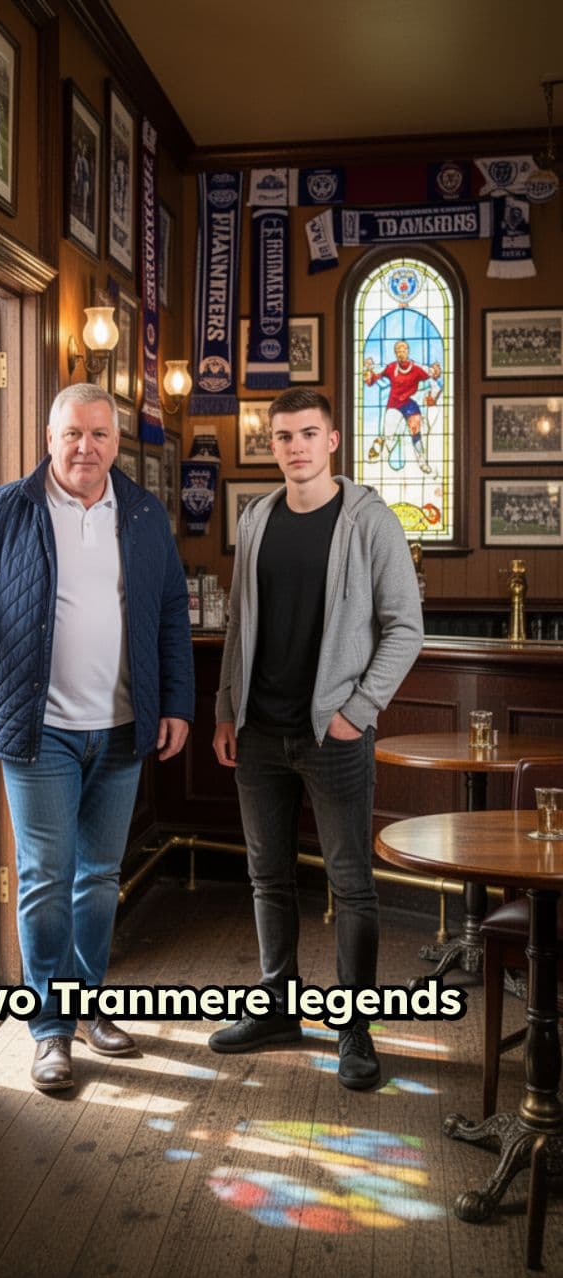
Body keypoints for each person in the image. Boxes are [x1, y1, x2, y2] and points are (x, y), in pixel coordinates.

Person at [0, 384, 194, 1092]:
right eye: (73, 434)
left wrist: (179, 703)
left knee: (98, 877)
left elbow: (169, 618)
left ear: (115, 441)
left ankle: (89, 1002)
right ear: (49, 436)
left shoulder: (145, 513)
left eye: (99, 434)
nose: (85, 448)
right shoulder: (4, 508)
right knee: (45, 877)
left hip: (124, 728)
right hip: (39, 734)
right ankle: (50, 1031)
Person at [209, 388, 423, 1089]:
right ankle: (276, 1007)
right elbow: (240, 625)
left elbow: (405, 629)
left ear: (333, 441)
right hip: (259, 733)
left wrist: (357, 711)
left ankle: (355, 1029)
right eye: (282, 437)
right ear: (271, 445)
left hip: (334, 735)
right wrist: (224, 708)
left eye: (308, 433)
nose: (295, 446)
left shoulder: (370, 520)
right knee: (267, 876)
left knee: (351, 883)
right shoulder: (258, 517)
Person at [364, 339, 441, 475]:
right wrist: (368, 370)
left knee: (415, 430)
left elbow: (433, 376)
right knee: (389, 435)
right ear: (395, 354)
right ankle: (379, 450)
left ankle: (422, 462)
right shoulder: (391, 368)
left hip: (410, 404)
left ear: (408, 351)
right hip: (394, 404)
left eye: (403, 350)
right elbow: (373, 379)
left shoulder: (417, 368)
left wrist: (435, 377)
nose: (401, 353)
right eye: (398, 351)